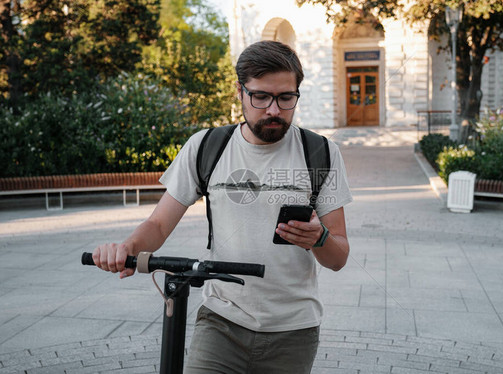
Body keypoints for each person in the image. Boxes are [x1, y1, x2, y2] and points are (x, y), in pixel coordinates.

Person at [93, 40, 353, 373]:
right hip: (221, 322)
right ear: (240, 91)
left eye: (286, 97)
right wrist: (125, 248)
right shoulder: (207, 146)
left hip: (294, 330)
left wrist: (318, 239)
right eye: (261, 96)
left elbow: (339, 257)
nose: (274, 110)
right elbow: (158, 225)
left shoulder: (321, 153)